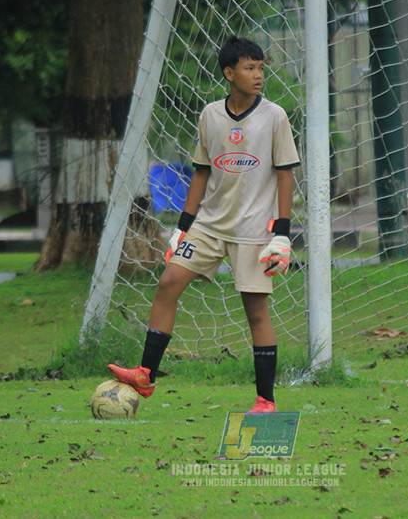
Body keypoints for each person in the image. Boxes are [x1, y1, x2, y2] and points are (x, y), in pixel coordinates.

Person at [109, 36, 300, 413]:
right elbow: (201, 173)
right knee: (167, 283)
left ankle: (265, 401)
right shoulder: (210, 115)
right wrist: (183, 226)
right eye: (250, 68)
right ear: (229, 74)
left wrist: (282, 234)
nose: (259, 74)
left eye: (261, 67)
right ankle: (146, 373)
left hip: (253, 232)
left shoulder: (275, 116)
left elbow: (285, 177)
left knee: (256, 312)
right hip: (209, 227)